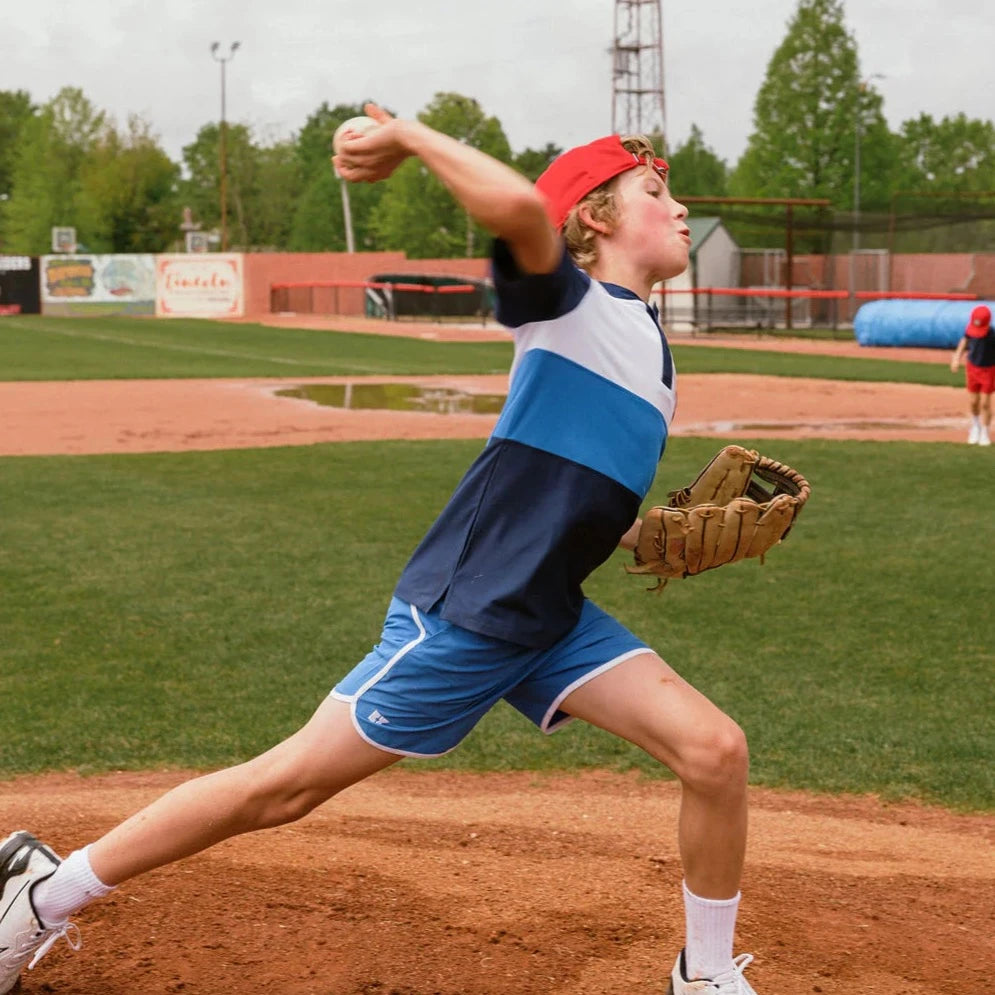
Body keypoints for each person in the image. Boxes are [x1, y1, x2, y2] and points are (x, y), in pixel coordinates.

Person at [0, 104, 759, 995]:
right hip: (474, 608)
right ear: (592, 217)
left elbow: (567, 489)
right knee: (279, 789)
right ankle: (43, 896)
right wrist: (408, 138)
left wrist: (646, 534)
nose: (678, 209)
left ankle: (703, 975)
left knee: (714, 751)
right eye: (654, 192)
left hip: (547, 610)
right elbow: (518, 210)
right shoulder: (569, 305)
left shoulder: (648, 345)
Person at [950, 303, 995, 446]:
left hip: (988, 370)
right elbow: (964, 341)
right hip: (972, 368)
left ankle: (985, 431)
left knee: (985, 403)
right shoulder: (970, 330)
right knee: (973, 402)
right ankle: (975, 426)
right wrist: (956, 357)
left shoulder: (992, 335)